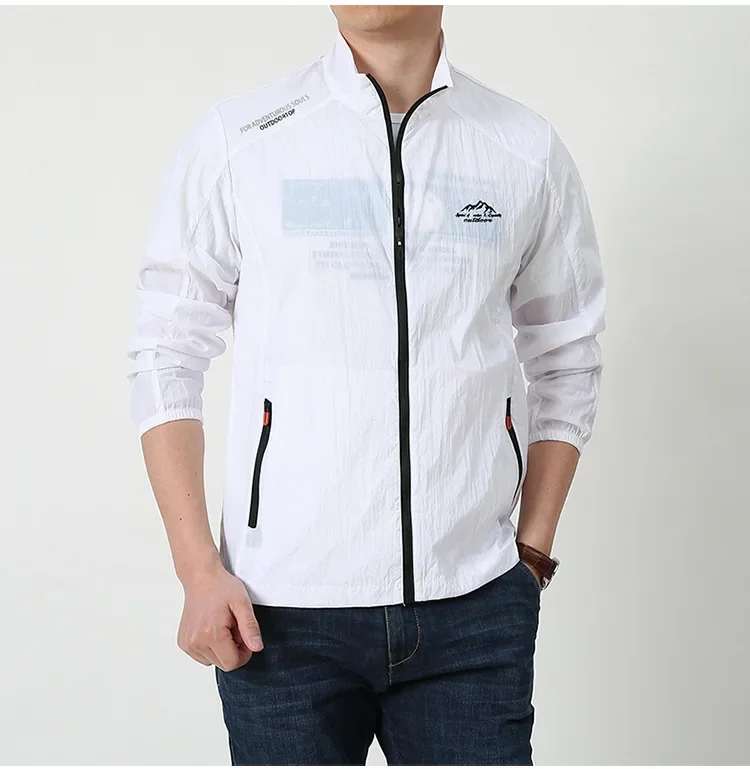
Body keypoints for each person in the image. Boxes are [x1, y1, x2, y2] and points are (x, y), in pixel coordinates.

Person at [127, 5, 605, 765]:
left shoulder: (521, 149)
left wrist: (531, 554)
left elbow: (567, 353)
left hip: (474, 610)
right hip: (278, 617)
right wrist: (197, 570)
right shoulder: (241, 141)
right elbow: (166, 352)